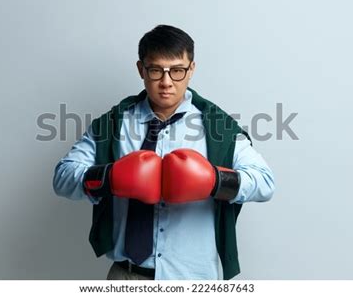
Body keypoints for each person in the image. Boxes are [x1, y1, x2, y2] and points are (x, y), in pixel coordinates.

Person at [53, 24, 275, 280]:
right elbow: (62, 176)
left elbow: (265, 182)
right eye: (156, 70)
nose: (166, 82)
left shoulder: (217, 127)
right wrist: (110, 177)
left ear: (191, 69)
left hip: (195, 280)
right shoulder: (113, 124)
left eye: (178, 71)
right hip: (127, 277)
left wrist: (214, 180)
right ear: (141, 70)